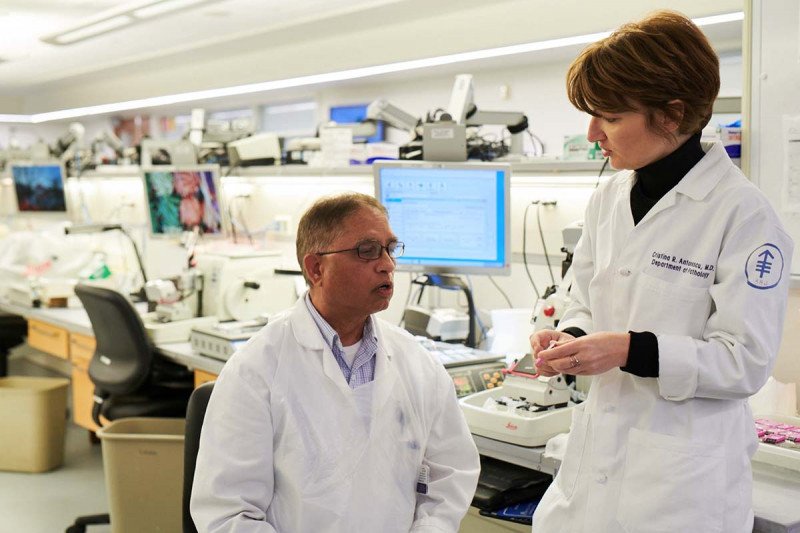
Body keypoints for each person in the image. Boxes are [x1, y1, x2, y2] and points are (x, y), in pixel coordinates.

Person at [529, 10, 793, 533]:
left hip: (683, 490)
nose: (592, 133)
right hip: (594, 466)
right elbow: (584, 298)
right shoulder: (608, 198)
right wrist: (572, 336)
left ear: (671, 114)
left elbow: (744, 362)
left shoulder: (744, 216)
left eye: (608, 117)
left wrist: (628, 349)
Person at [191, 192, 480, 532]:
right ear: (316, 268)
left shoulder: (418, 364)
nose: (387, 264)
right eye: (367, 250)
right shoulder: (255, 371)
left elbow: (451, 474)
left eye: (390, 249)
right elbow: (228, 514)